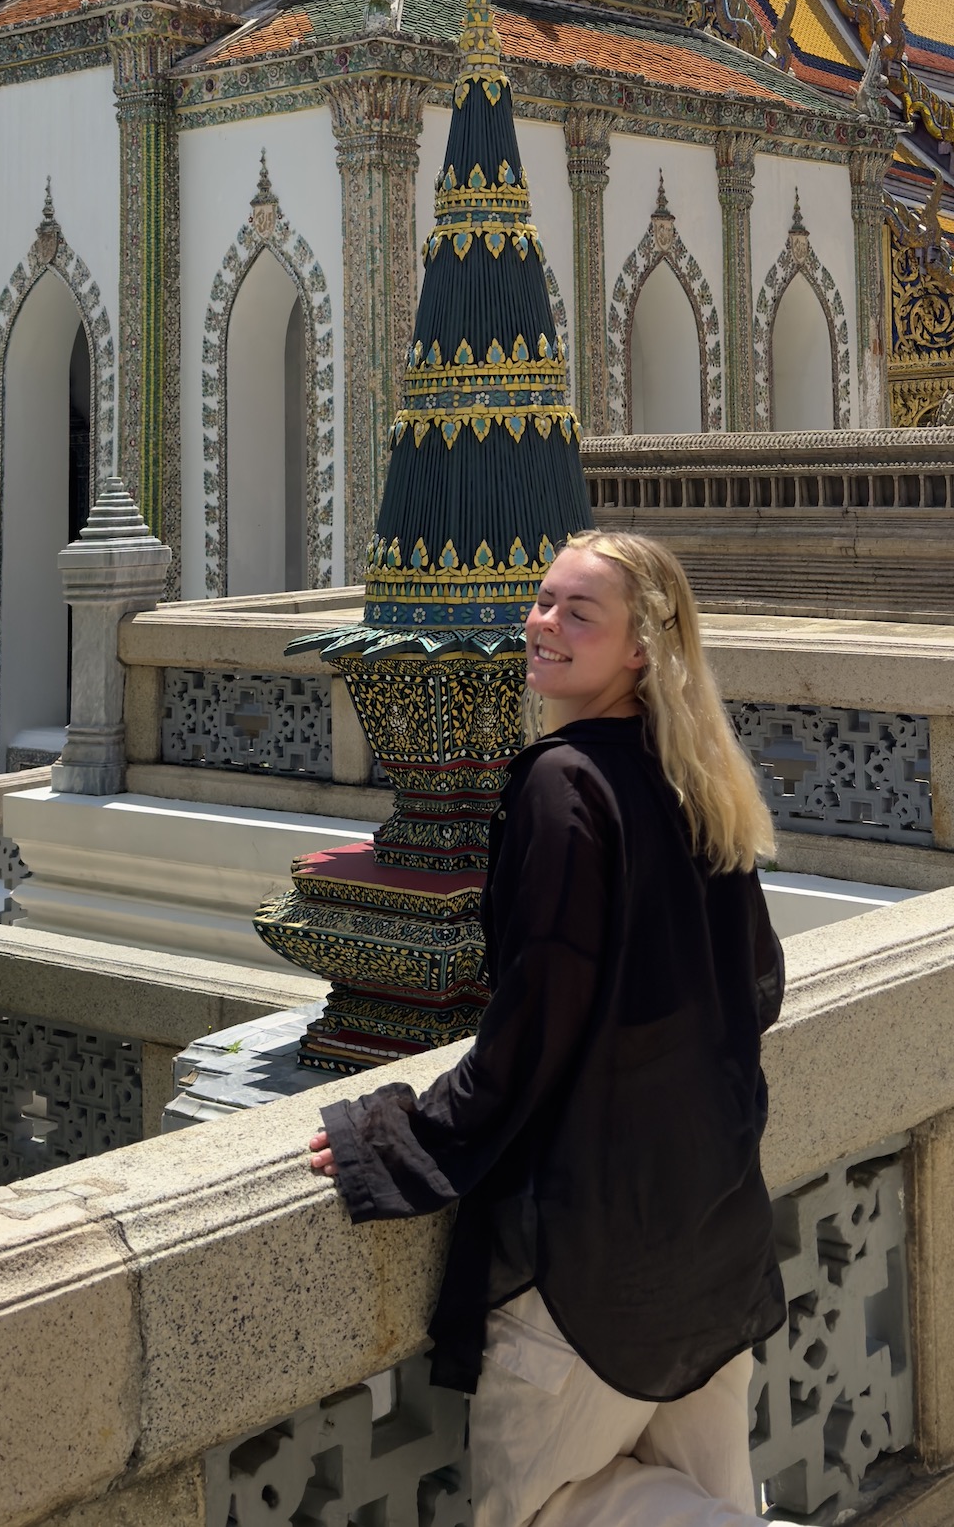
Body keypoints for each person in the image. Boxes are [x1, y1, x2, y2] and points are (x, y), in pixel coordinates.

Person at [309, 529, 785, 1527]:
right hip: (711, 1229)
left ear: (638, 650)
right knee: (705, 1492)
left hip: (592, 1260)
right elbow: (757, 987)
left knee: (533, 1514)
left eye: (577, 612)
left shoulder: (563, 783)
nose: (542, 624)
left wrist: (400, 1133)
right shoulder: (697, 780)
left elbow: (538, 1015)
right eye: (540, 601)